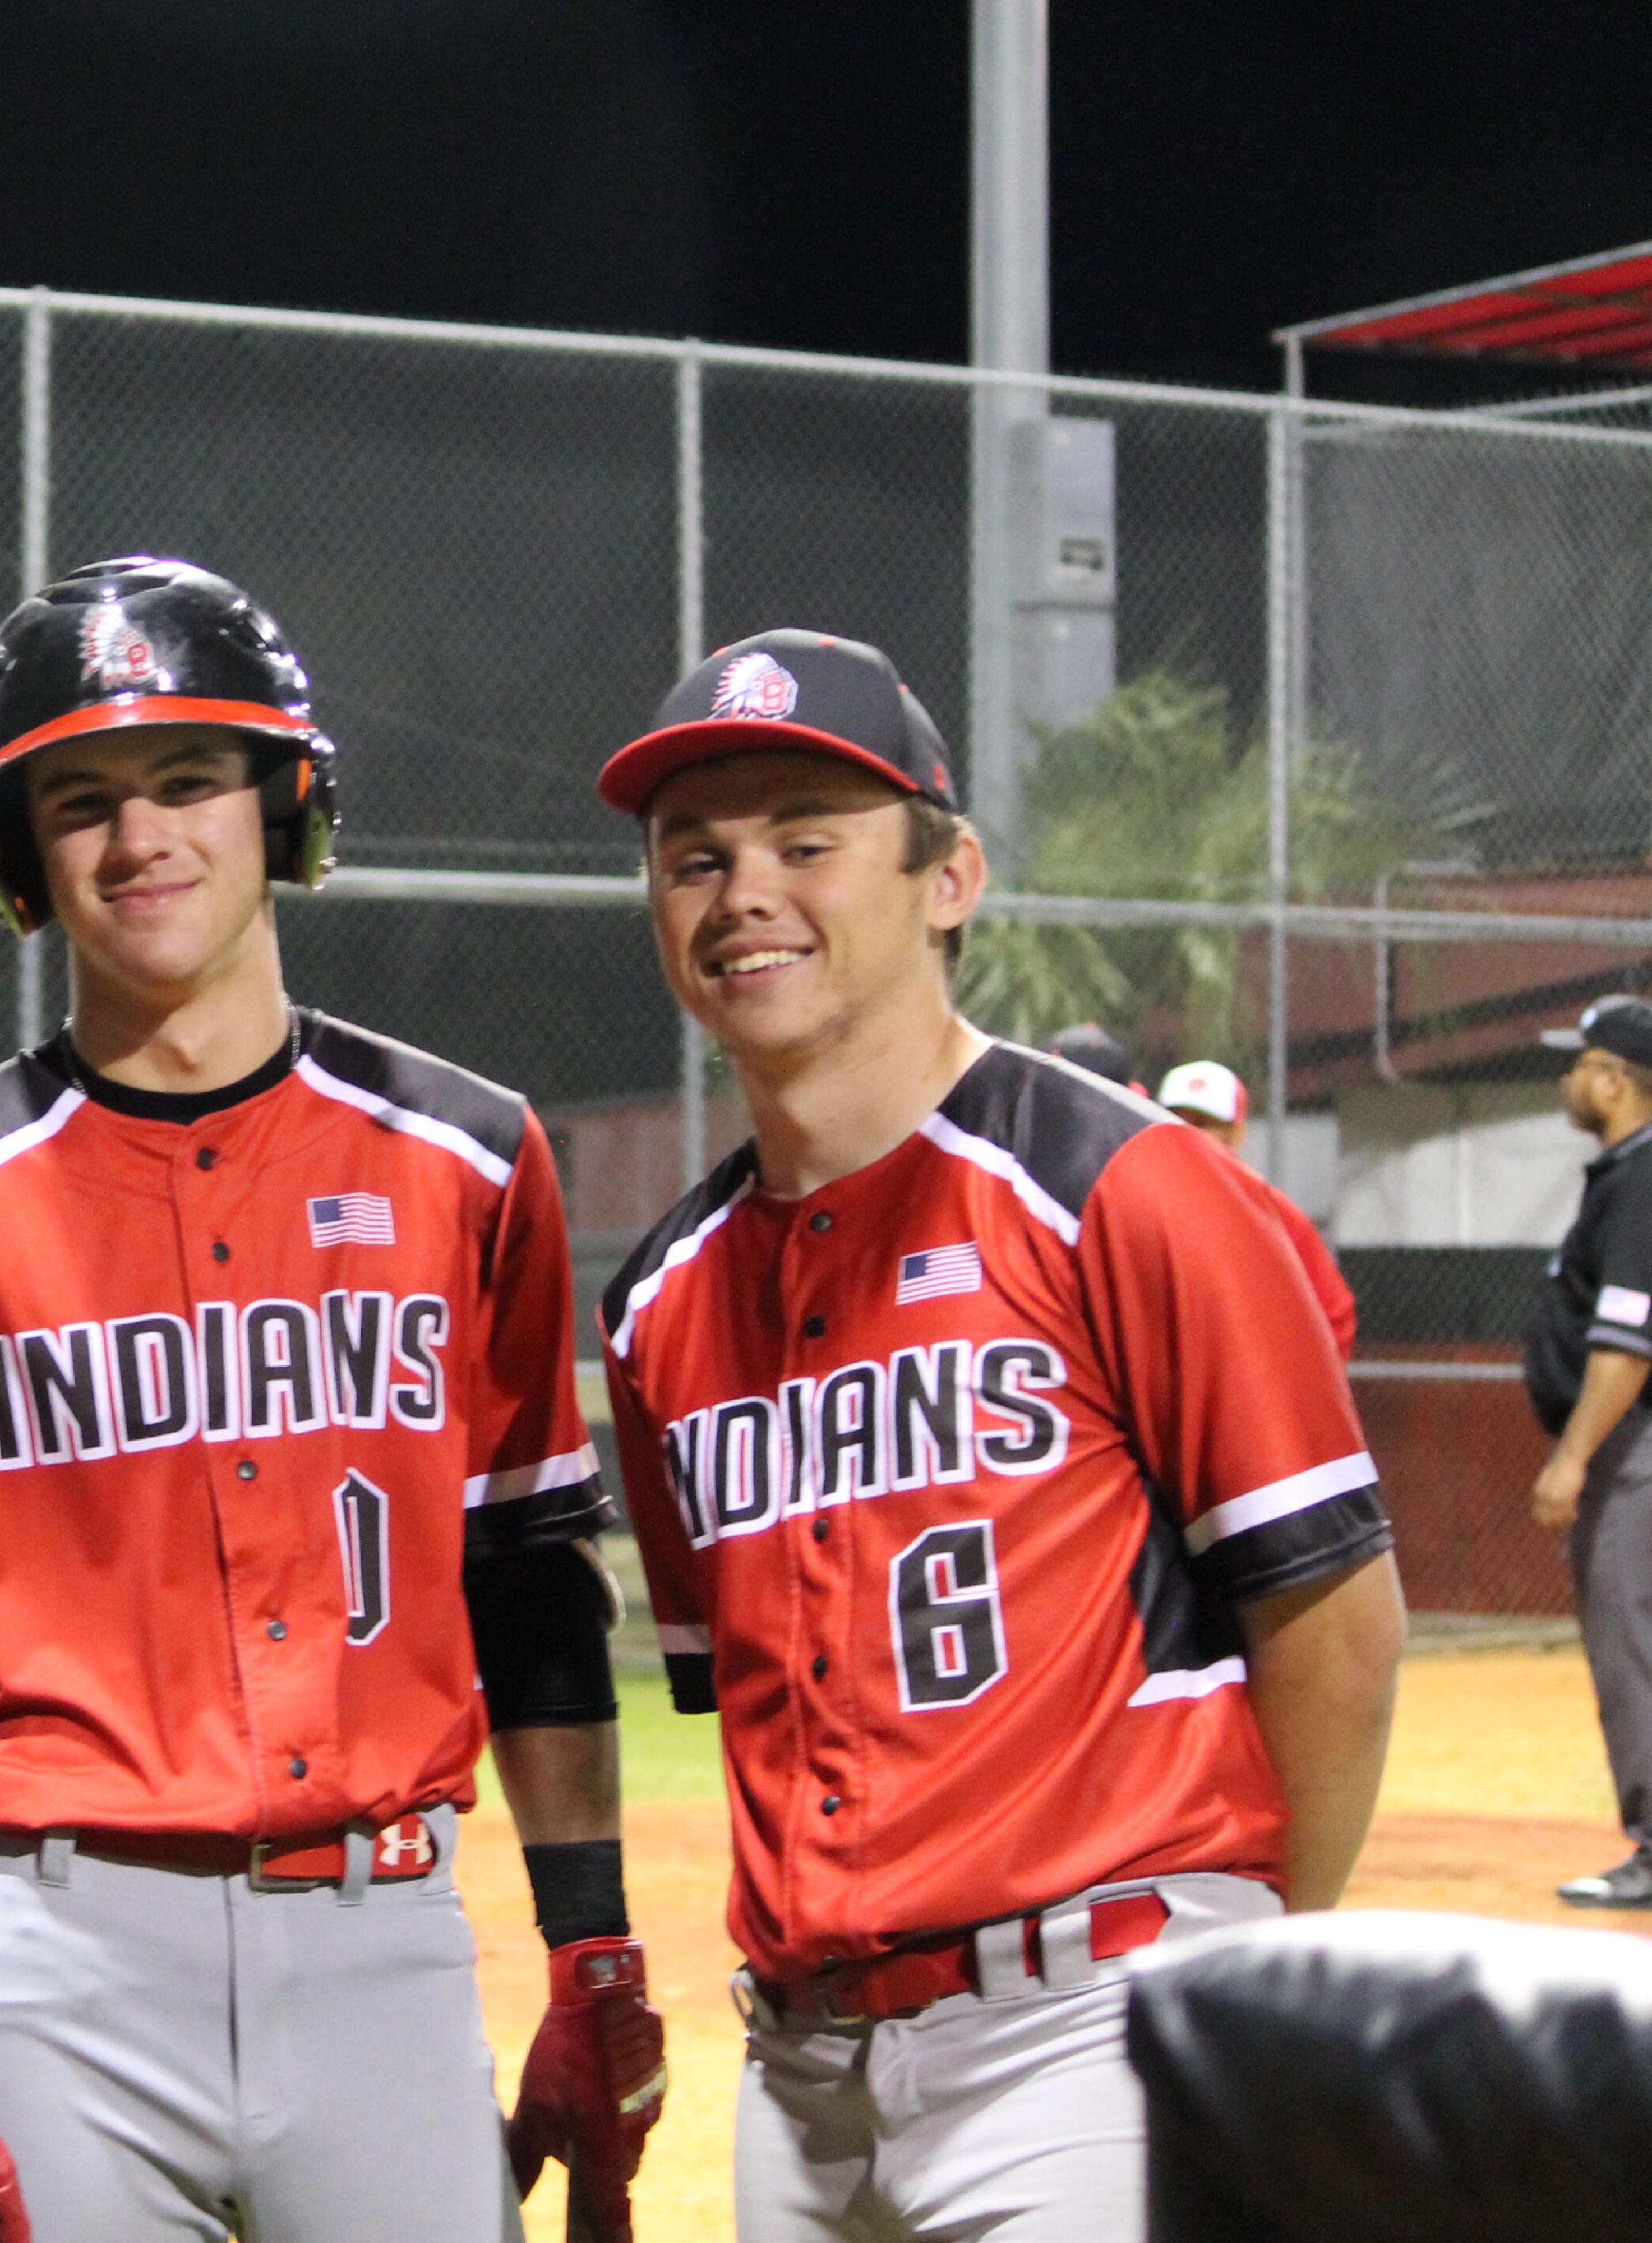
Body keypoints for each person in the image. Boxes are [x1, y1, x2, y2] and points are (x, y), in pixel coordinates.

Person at [0, 558, 665, 2243]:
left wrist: (586, 1938)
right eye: (80, 799)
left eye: (187, 780)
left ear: (283, 806)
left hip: (380, 1937)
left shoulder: (468, 1157)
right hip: (61, 1949)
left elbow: (529, 1570)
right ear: (19, 854)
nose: (139, 837)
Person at [592, 628, 1405, 2242]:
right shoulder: (659, 1307)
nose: (744, 889)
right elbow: (741, 1700)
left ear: (949, 878)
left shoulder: (1129, 1192)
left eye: (806, 842)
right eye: (698, 858)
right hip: (803, 2064)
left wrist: (1243, 1969)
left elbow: (1335, 1623)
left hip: (1099, 2021)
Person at [1522, 994, 1652, 1910]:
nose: (1568, 1078)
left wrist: (1573, 1458)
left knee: (1630, 1644)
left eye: (1579, 1064)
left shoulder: (1642, 1180)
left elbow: (1625, 1346)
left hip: (1634, 1448)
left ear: (1612, 1080)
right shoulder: (1624, 1175)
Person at [1153, 1060, 1356, 1357]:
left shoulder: (1270, 1213)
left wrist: (1289, 1392)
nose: (1187, 1133)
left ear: (1236, 1134)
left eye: (1204, 1123)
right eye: (1174, 1119)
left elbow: (1333, 1313)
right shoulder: (1133, 1207)